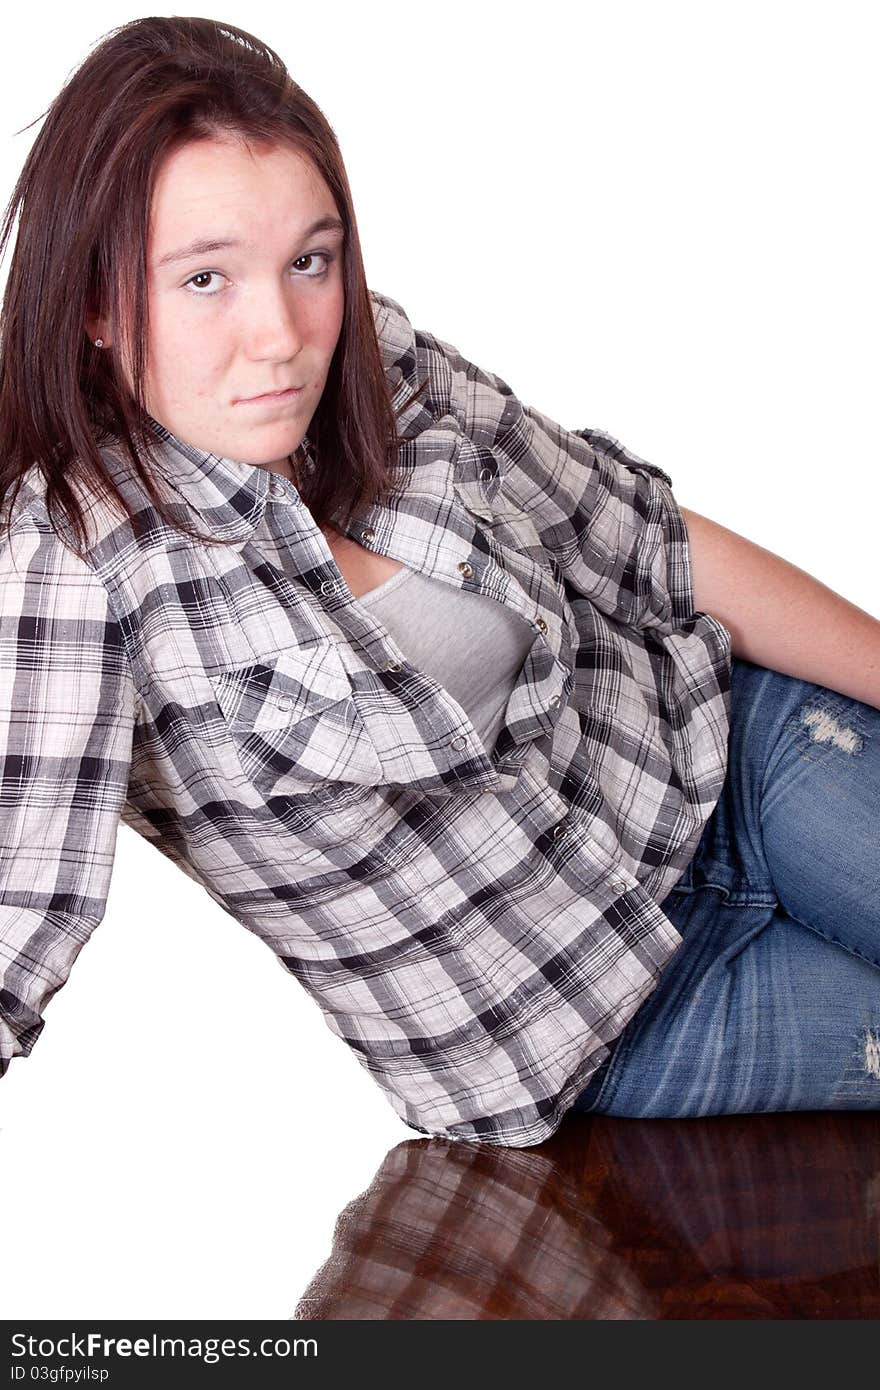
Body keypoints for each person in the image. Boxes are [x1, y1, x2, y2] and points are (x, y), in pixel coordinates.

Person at [0, 16, 877, 1148]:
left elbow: (650, 544)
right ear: (97, 304)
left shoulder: (381, 362)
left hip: (729, 767)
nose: (281, 336)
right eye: (205, 278)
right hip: (609, 1024)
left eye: (309, 261)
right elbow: (16, 921)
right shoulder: (68, 562)